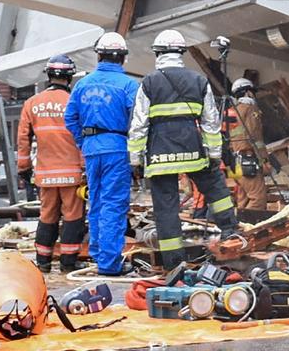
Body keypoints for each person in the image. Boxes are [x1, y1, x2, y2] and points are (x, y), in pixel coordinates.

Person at [128, 29, 239, 270]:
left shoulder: (149, 82)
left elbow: (139, 124)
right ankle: (230, 230)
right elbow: (210, 121)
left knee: (166, 209)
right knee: (215, 188)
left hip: (160, 155)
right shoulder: (198, 80)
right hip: (192, 150)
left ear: (158, 54)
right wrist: (214, 154)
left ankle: (174, 262)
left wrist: (135, 159)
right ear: (181, 53)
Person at [64, 33, 138, 276]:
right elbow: (137, 120)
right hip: (117, 147)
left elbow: (70, 117)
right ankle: (109, 263)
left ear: (99, 55)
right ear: (123, 58)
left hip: (92, 149)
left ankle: (98, 254)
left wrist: (83, 142)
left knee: (95, 201)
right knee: (113, 204)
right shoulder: (128, 85)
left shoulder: (83, 84)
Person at [18, 54, 86, 273]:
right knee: (73, 217)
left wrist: (24, 169)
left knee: (47, 215)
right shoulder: (75, 101)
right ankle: (68, 263)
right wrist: (85, 169)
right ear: (70, 76)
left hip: (45, 174)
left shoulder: (32, 103)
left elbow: (23, 139)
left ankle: (43, 262)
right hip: (71, 173)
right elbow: (83, 137)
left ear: (48, 75)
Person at [225, 79, 269, 215]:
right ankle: (251, 230)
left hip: (234, 162)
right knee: (258, 199)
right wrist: (264, 160)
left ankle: (239, 229)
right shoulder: (250, 109)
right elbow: (255, 137)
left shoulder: (232, 112)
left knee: (243, 199)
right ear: (248, 92)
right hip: (247, 160)